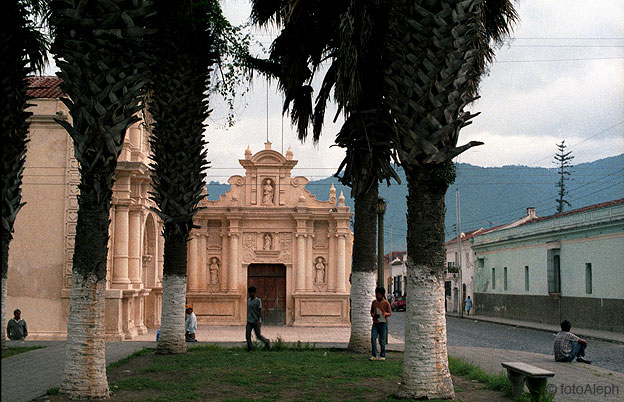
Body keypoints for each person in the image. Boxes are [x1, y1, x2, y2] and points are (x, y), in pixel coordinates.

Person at [370, 287, 391, 361]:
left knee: (382, 340)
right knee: (373, 338)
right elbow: (371, 312)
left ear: (381, 295)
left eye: (378, 294)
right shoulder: (374, 302)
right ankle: (374, 354)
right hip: (375, 323)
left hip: (383, 323)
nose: (376, 295)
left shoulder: (386, 303)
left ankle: (382, 355)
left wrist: (385, 314)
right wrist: (373, 315)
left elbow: (390, 313)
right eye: (376, 294)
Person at [246, 286, 270, 351]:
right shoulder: (248, 301)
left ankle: (267, 341)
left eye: (251, 293)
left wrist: (257, 320)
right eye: (249, 293)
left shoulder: (258, 301)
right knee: (247, 335)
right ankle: (250, 348)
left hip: (256, 321)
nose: (250, 294)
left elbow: (260, 311)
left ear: (254, 293)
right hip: (249, 321)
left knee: (258, 336)